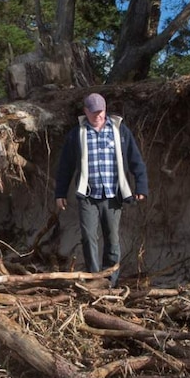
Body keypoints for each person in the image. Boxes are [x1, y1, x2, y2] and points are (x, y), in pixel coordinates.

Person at [54, 93, 148, 286]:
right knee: (89, 237)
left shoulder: (119, 131)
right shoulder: (77, 134)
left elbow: (135, 159)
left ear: (105, 110)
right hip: (88, 195)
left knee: (112, 239)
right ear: (85, 111)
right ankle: (95, 278)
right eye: (93, 112)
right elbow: (65, 166)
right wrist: (60, 193)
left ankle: (110, 281)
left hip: (113, 194)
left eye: (101, 111)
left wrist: (141, 186)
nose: (98, 115)